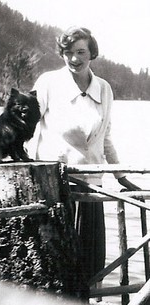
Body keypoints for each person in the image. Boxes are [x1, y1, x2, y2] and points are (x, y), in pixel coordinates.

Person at [27, 26, 141, 285]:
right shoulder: (48, 83)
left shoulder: (104, 89)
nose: (74, 59)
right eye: (67, 52)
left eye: (80, 52)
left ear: (92, 54)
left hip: (92, 186)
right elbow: (27, 124)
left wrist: (122, 178)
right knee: (56, 259)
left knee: (91, 260)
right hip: (56, 186)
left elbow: (105, 138)